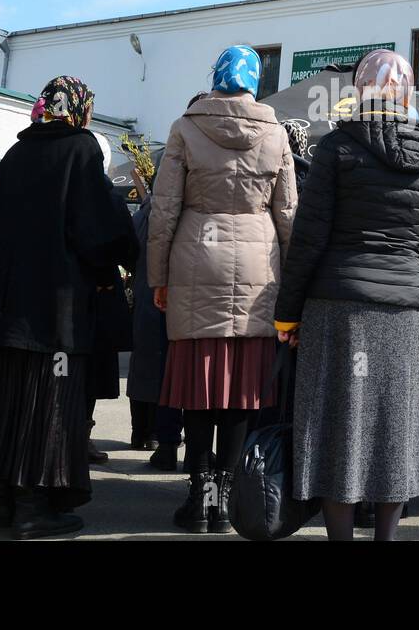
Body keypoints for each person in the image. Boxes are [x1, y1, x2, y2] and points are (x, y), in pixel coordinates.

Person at [0, 76, 135, 539]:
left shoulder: (14, 156)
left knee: (7, 402)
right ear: (81, 109)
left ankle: (7, 500)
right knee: (45, 406)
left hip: (4, 309)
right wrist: (120, 258)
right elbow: (99, 230)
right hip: (56, 312)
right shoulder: (81, 149)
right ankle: (32, 506)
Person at [276, 48, 419, 541]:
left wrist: (287, 316)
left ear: (359, 90)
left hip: (338, 308)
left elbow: (308, 239)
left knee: (336, 427)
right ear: (409, 91)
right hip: (405, 312)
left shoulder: (335, 148)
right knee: (395, 431)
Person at [148, 46, 297, 534]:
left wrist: (158, 277)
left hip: (196, 259)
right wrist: (293, 287)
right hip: (259, 267)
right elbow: (288, 215)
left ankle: (198, 500)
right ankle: (228, 501)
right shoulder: (276, 133)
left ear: (215, 78)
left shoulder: (186, 127)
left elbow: (164, 209)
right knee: (241, 393)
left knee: (199, 389)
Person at [126, 165, 183, 468]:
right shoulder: (183, 212)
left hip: (147, 297)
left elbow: (128, 248)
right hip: (174, 299)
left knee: (145, 365)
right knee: (169, 369)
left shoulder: (145, 213)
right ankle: (164, 434)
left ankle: (142, 433)